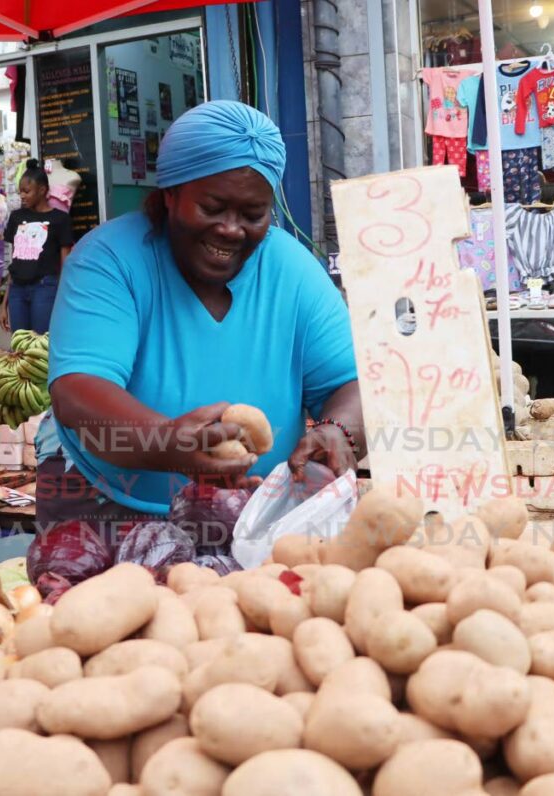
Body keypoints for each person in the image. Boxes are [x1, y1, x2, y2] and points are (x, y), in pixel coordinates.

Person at [35, 100, 363, 539]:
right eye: (212, 208)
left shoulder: (292, 269)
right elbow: (78, 392)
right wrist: (168, 443)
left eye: (253, 215)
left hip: (249, 514)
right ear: (170, 195)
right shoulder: (109, 259)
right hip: (107, 503)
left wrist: (338, 430)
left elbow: (351, 382)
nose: (231, 229)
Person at [0, 160, 73, 335]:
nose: (22, 196)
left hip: (45, 288)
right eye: (20, 192)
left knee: (41, 345)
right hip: (17, 289)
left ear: (42, 190)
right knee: (20, 346)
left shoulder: (60, 219)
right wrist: (4, 304)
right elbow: (14, 261)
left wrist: (63, 297)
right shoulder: (16, 217)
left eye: (26, 191)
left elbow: (66, 263)